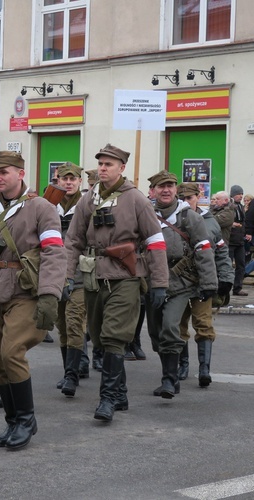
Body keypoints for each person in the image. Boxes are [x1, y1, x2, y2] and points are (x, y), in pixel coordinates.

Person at [0, 150, 65, 450]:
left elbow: (55, 253)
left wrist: (49, 295)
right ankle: (12, 421)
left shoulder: (41, 208)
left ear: (20, 174)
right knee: (0, 361)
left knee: (12, 352)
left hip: (26, 291)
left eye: (3, 172)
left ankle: (27, 420)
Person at [64, 144, 169, 422]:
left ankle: (107, 399)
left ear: (122, 168)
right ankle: (120, 393)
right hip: (93, 276)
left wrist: (159, 282)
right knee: (98, 337)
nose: (102, 168)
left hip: (126, 276)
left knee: (113, 336)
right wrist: (65, 275)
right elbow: (73, 240)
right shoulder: (88, 199)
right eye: (100, 164)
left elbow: (155, 241)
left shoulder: (136, 199)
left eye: (108, 164)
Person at [146, 172, 217, 398]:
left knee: (170, 326)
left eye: (170, 186)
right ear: (153, 190)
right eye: (161, 186)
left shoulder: (189, 217)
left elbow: (204, 249)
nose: (166, 190)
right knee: (155, 333)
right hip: (150, 282)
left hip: (180, 283)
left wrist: (209, 283)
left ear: (175, 189)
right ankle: (171, 376)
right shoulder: (145, 214)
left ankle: (169, 380)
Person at [176, 182, 234, 388]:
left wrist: (226, 278)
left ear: (197, 198)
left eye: (189, 199)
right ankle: (182, 365)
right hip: (179, 282)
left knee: (203, 324)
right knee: (178, 325)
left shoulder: (210, 223)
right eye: (181, 199)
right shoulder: (171, 219)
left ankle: (204, 369)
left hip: (203, 282)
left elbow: (221, 253)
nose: (185, 203)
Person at [52, 162, 89, 397]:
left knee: (75, 321)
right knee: (62, 326)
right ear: (57, 180)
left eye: (72, 179)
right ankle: (69, 370)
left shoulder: (87, 205)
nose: (68, 182)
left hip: (80, 275)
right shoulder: (48, 204)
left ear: (79, 182)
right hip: (54, 274)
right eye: (64, 178)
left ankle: (72, 377)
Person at [228, 185, 247, 296]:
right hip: (230, 241)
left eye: (241, 194)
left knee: (241, 265)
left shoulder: (241, 207)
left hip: (240, 241)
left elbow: (244, 222)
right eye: (239, 194)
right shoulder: (229, 206)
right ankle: (225, 288)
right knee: (228, 266)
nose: (241, 196)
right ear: (233, 194)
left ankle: (237, 288)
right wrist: (232, 224)